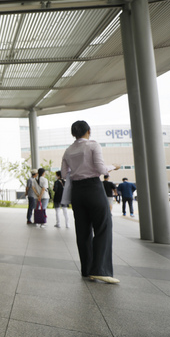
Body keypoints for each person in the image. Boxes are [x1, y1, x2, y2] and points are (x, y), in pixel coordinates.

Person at [61, 120, 120, 284]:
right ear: (88, 131)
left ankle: (87, 270)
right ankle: (100, 270)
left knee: (83, 230)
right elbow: (101, 170)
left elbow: (65, 173)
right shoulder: (93, 145)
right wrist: (114, 166)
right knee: (103, 226)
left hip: (77, 192)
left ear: (73, 133)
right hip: (93, 188)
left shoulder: (68, 151)